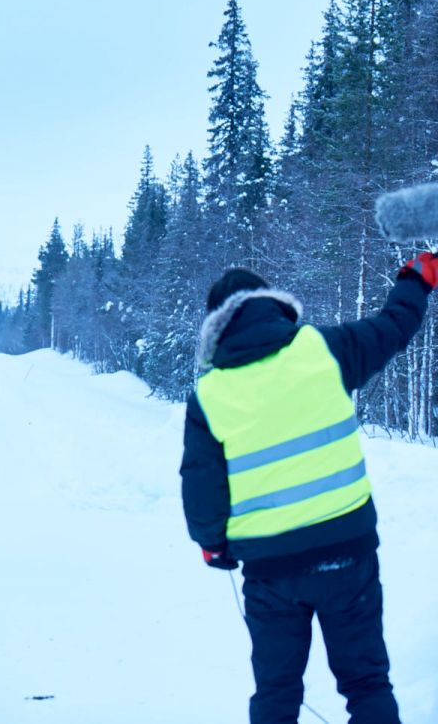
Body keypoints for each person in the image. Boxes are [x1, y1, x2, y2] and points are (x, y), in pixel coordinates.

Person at [181, 259, 437, 724]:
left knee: (276, 693)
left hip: (270, 573)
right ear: (273, 305)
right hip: (348, 557)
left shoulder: (211, 394)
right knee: (367, 685)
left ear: (216, 324)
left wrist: (211, 544)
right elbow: (392, 327)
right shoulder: (323, 350)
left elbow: (200, 481)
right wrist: (416, 280)